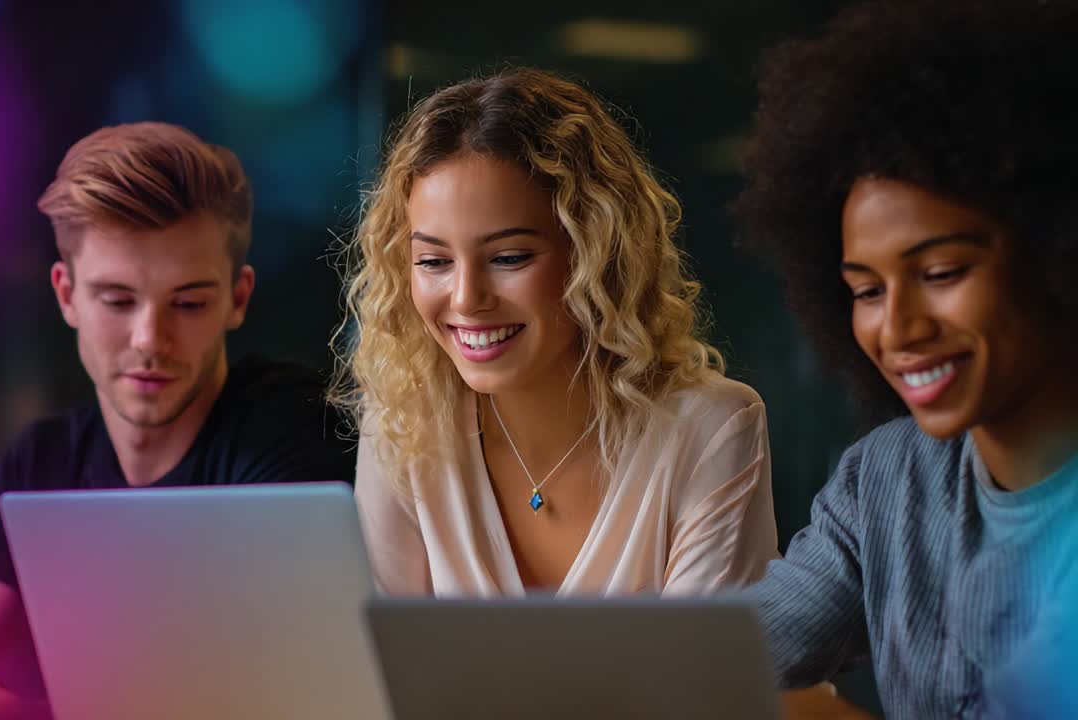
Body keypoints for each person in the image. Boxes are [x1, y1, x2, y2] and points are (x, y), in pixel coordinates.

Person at [0, 122, 356, 719]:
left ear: (238, 298)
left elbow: (269, 696)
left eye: (189, 302)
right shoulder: (40, 463)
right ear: (66, 295)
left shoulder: (294, 435)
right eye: (118, 301)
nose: (149, 340)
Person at [732, 0, 1078, 716]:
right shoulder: (885, 480)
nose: (898, 327)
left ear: (1055, 253)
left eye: (942, 273)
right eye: (864, 290)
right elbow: (736, 649)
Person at [336, 68, 777, 597]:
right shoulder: (402, 425)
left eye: (509, 257)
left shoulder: (710, 429)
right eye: (433, 261)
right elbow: (378, 663)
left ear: (595, 253)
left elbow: (698, 675)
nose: (465, 298)